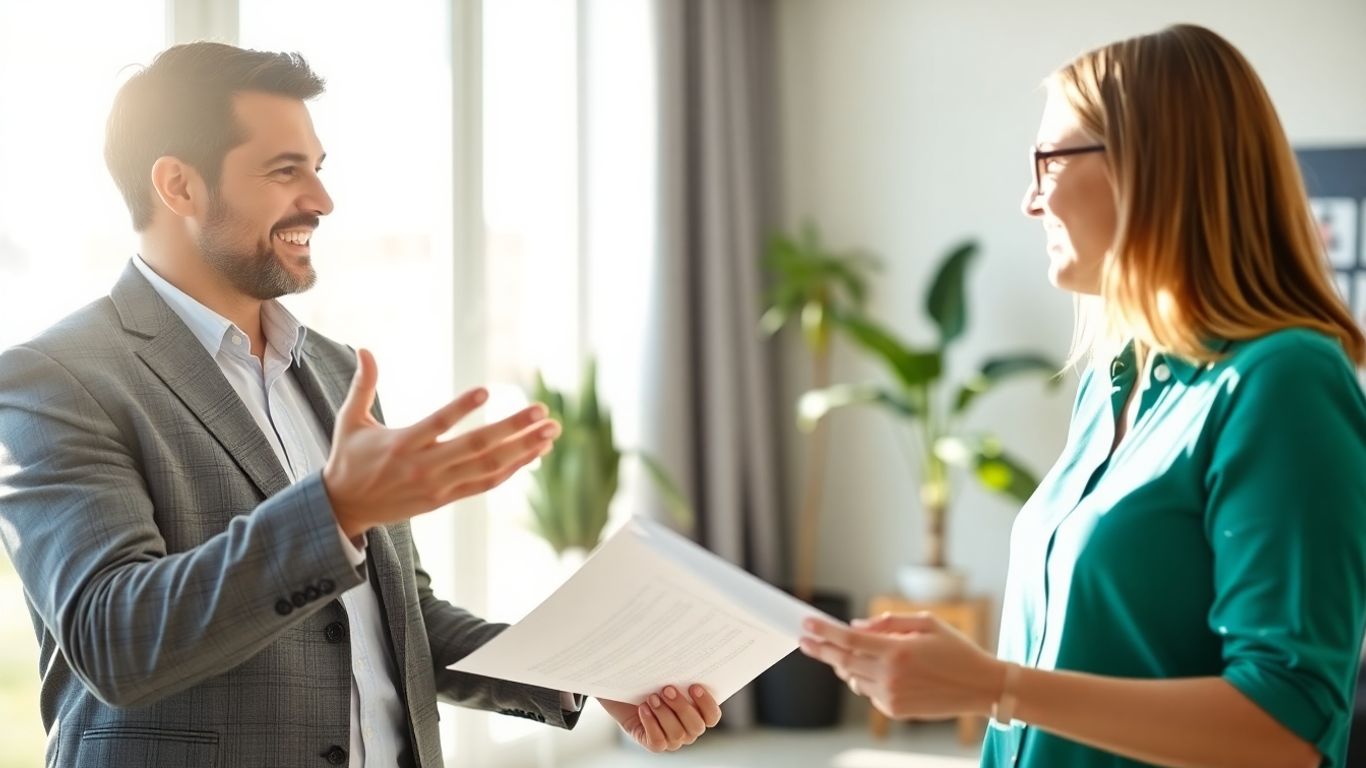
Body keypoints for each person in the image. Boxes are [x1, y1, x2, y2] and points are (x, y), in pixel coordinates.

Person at [0, 42, 720, 767]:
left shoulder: (337, 370)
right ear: (179, 186)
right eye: (286, 171)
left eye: (316, 169)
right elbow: (114, 638)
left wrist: (584, 674)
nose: (320, 200)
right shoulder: (54, 379)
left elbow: (402, 622)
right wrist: (335, 510)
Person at [799, 23, 1366, 768]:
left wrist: (995, 687)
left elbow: (1284, 726)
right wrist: (973, 679)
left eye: (1048, 161)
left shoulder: (1282, 381)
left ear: (1151, 168)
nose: (1031, 200)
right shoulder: (1115, 379)